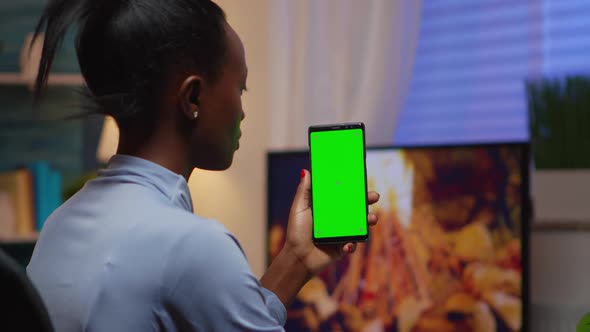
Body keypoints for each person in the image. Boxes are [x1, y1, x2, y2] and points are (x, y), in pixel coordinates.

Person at [26, 0, 380, 331]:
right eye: (240, 88)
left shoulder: (60, 223)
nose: (242, 111)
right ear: (192, 96)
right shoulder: (192, 245)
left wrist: (297, 258)